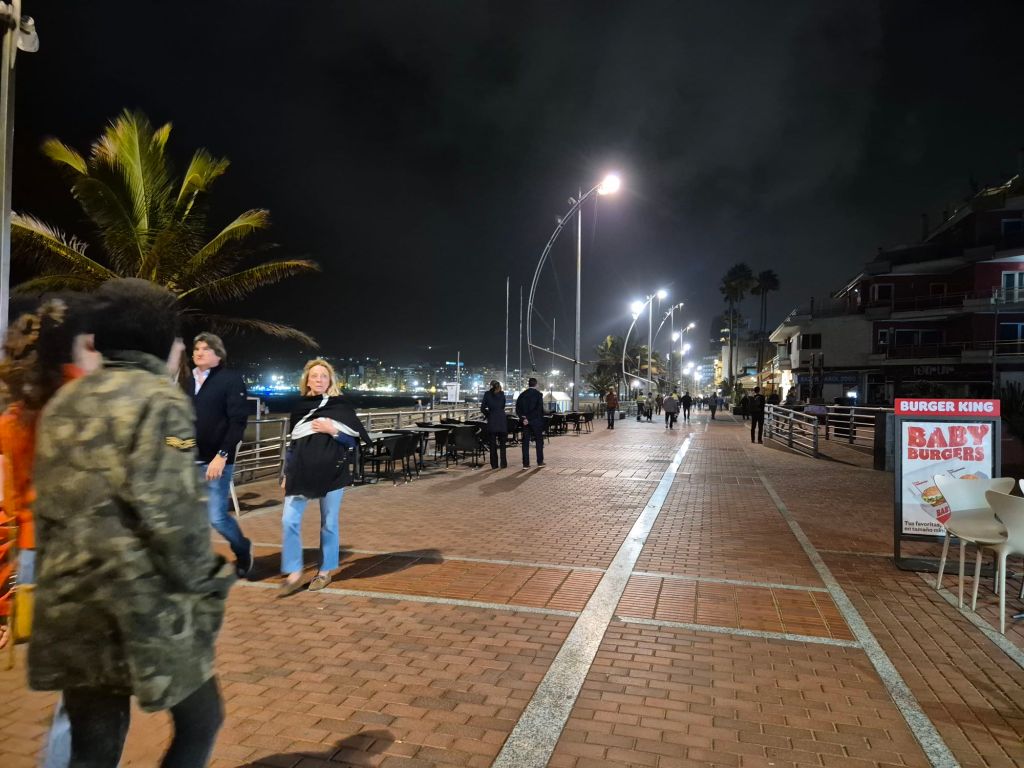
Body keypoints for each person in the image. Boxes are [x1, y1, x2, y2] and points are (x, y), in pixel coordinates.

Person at [30, 278, 236, 767]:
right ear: (164, 341)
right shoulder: (159, 401)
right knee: (202, 720)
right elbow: (172, 515)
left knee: (92, 748)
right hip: (139, 606)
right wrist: (209, 581)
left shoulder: (66, 401)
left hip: (70, 603)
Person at [280, 359, 371, 596]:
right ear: (307, 380)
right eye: (314, 376)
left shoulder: (341, 406)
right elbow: (292, 443)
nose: (319, 379)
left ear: (330, 380)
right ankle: (294, 571)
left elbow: (353, 442)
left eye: (323, 376)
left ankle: (324, 572)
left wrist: (333, 431)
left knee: (329, 523)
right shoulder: (299, 407)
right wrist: (286, 473)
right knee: (289, 520)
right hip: (300, 470)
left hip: (333, 471)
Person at [187, 332, 253, 578]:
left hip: (216, 461)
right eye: (196, 348)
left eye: (205, 349)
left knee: (216, 518)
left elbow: (238, 422)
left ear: (218, 354)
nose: (199, 352)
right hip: (187, 460)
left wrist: (222, 455)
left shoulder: (230, 380)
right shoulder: (187, 381)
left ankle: (242, 549)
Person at [516, 377, 545, 468]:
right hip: (535, 421)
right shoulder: (538, 395)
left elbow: (517, 408)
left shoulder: (522, 395)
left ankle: (526, 464)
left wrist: (523, 418)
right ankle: (540, 462)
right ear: (536, 384)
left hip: (525, 422)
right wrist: (529, 418)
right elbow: (539, 410)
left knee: (525, 442)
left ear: (528, 384)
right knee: (539, 441)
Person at [481, 380, 509, 469]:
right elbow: (503, 406)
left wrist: (488, 414)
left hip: (492, 420)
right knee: (503, 444)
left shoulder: (487, 394)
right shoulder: (502, 394)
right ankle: (503, 464)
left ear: (491, 386)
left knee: (492, 444)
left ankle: (494, 464)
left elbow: (482, 408)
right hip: (501, 420)